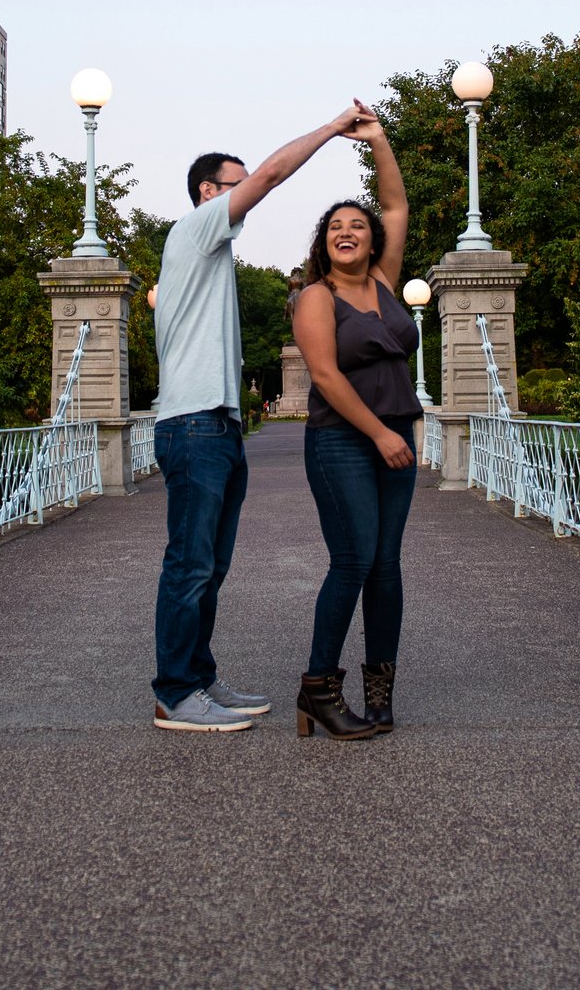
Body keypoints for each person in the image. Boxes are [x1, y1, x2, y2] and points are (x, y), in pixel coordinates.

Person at [151, 104, 370, 734]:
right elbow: (272, 174)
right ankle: (174, 694)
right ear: (208, 192)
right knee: (189, 564)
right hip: (192, 424)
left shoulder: (212, 253)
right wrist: (331, 130)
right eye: (235, 185)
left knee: (210, 567)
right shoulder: (193, 230)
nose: (248, 197)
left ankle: (197, 679)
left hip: (216, 425)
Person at [290, 107, 420, 741]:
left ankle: (380, 690)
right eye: (336, 227)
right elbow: (327, 378)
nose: (349, 232)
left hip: (398, 438)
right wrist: (381, 433)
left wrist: (379, 141)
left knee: (387, 565)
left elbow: (395, 206)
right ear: (325, 242)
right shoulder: (317, 297)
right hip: (346, 441)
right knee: (353, 559)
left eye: (358, 226)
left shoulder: (387, 286)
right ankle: (318, 687)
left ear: (371, 240)